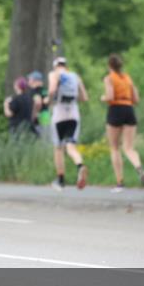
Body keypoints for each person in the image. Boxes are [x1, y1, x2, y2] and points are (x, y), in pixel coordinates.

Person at [100, 54, 144, 191]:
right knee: (129, 148)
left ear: (109, 65)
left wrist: (103, 98)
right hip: (129, 109)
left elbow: (110, 96)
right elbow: (136, 99)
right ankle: (139, 168)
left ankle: (120, 182)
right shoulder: (127, 78)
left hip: (115, 110)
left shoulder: (109, 78)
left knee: (115, 148)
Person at [46, 57, 89, 191]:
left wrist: (48, 100)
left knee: (58, 148)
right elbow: (84, 97)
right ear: (66, 66)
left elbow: (52, 90)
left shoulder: (54, 74)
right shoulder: (75, 76)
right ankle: (80, 165)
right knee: (71, 147)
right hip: (73, 115)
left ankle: (61, 180)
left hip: (59, 115)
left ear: (55, 66)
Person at [27, 71, 49, 136]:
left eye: (29, 79)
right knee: (46, 137)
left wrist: (35, 114)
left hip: (37, 119)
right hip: (46, 116)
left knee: (38, 138)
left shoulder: (34, 91)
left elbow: (38, 102)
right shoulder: (45, 90)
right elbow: (47, 101)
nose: (28, 81)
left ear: (34, 80)